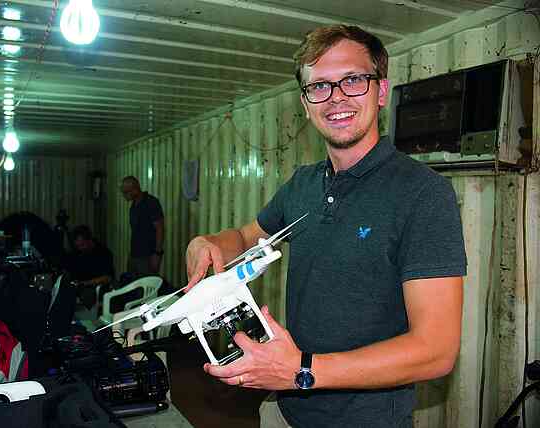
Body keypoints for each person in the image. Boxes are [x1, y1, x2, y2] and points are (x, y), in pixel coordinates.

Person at [185, 25, 467, 428]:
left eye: (353, 80)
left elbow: (436, 350)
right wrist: (207, 241)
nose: (335, 98)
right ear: (305, 103)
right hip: (286, 408)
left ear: (381, 91)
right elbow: (247, 237)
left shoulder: (423, 195)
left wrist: (302, 370)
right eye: (319, 86)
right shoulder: (302, 183)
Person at [120, 176, 165, 277]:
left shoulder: (151, 203)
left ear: (135, 189)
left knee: (147, 286)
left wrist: (157, 254)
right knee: (132, 286)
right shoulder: (134, 206)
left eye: (126, 192)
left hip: (148, 257)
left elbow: (160, 228)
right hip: (135, 255)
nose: (124, 196)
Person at [64, 225, 115, 309]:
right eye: (77, 246)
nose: (80, 248)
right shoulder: (76, 252)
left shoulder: (103, 253)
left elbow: (107, 277)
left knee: (87, 294)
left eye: (82, 245)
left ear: (90, 240)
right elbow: (69, 270)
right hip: (78, 286)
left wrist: (85, 283)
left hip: (95, 287)